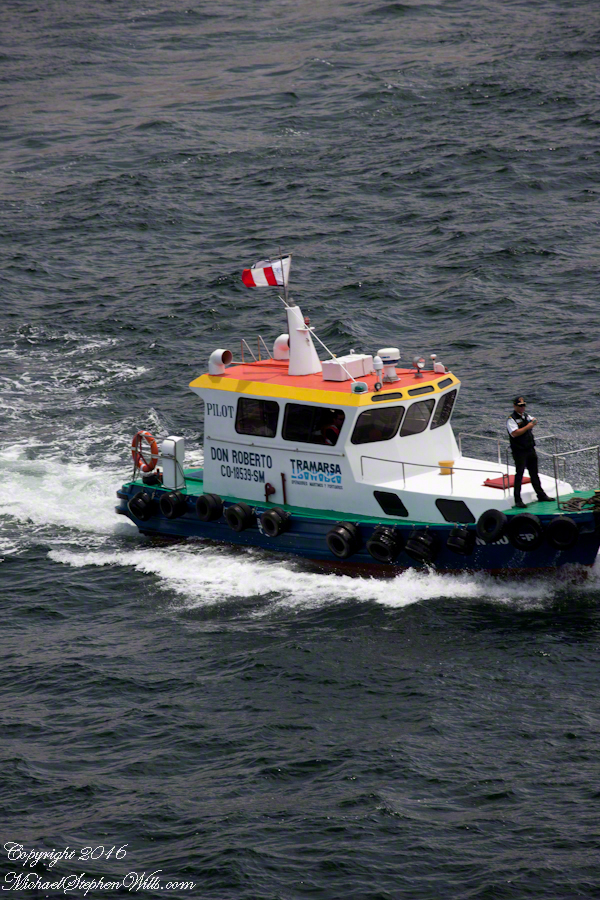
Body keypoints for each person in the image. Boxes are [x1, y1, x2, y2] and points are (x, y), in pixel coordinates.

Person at [506, 396, 554, 508]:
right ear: (515, 406)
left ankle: (541, 495)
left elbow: (535, 420)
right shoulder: (511, 419)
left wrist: (532, 422)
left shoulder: (526, 416)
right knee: (520, 474)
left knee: (534, 473)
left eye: (523, 405)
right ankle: (518, 500)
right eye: (520, 405)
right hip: (519, 451)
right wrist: (528, 426)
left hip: (530, 449)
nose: (522, 407)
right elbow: (515, 433)